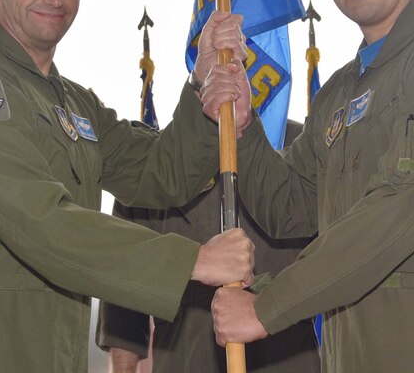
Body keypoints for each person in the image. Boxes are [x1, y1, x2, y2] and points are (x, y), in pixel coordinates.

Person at [0, 0, 255, 373]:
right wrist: (194, 260)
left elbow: (160, 174)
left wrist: (202, 83)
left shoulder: (73, 101)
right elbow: (44, 222)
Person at [202, 0, 414, 373]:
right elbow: (290, 208)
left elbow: (397, 207)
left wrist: (268, 306)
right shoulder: (341, 91)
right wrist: (245, 127)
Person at [96, 120, 320, 373]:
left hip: (289, 359)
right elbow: (125, 303)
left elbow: (337, 266)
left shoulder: (304, 145)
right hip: (186, 360)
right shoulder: (160, 157)